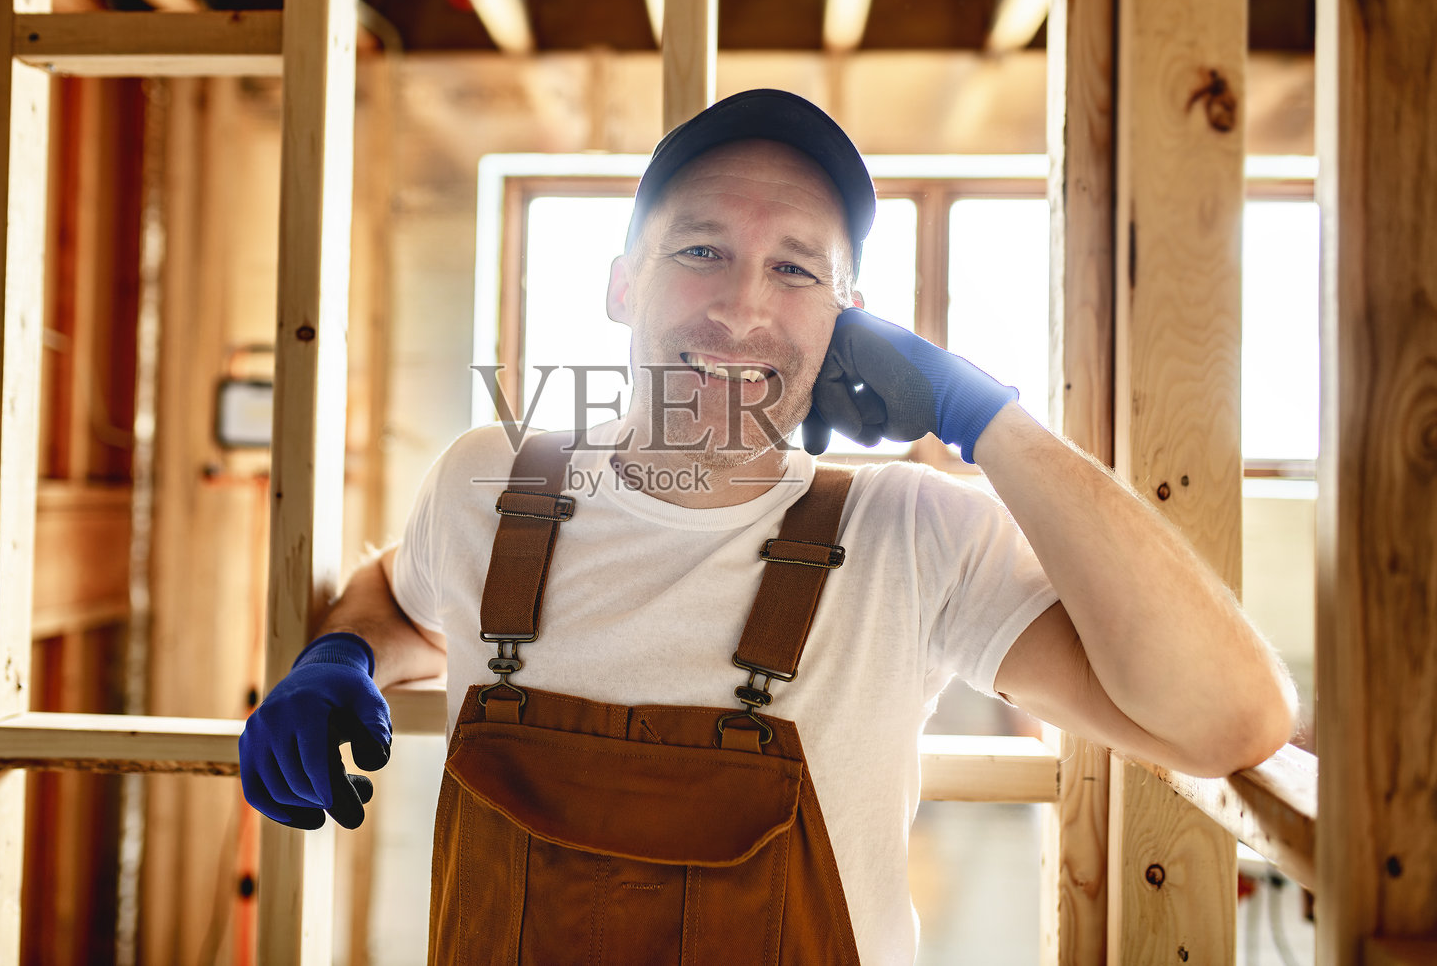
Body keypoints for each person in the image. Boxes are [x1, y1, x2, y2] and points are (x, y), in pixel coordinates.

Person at [239, 89, 1297, 962]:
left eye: (796, 268)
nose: (742, 307)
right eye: (700, 249)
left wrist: (990, 419)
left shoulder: (912, 537)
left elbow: (1228, 718)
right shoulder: (491, 481)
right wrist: (341, 648)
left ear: (850, 318)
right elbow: (408, 596)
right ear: (621, 284)